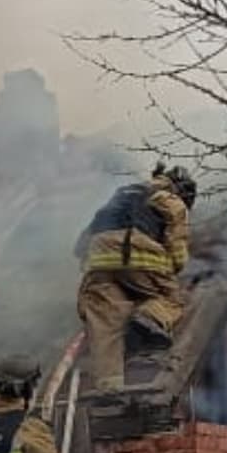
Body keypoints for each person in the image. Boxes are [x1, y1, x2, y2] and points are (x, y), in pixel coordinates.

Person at [74, 164, 197, 392]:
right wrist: (167, 274)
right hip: (138, 253)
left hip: (99, 257)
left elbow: (81, 244)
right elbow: (178, 255)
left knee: (106, 319)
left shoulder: (123, 194)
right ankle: (147, 317)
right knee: (175, 299)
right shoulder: (172, 200)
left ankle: (109, 387)